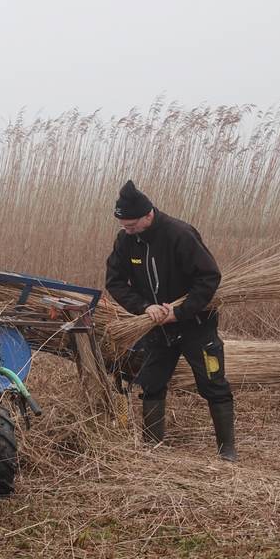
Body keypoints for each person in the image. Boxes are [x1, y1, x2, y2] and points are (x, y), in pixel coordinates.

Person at [104, 181, 237, 461]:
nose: (126, 230)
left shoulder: (180, 234)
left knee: (213, 382)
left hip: (196, 326)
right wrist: (144, 307)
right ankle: (154, 448)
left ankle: (227, 451)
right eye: (123, 225)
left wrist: (181, 311)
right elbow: (115, 282)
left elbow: (209, 277)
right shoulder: (126, 241)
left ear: (148, 215)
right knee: (151, 382)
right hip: (156, 330)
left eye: (131, 225)